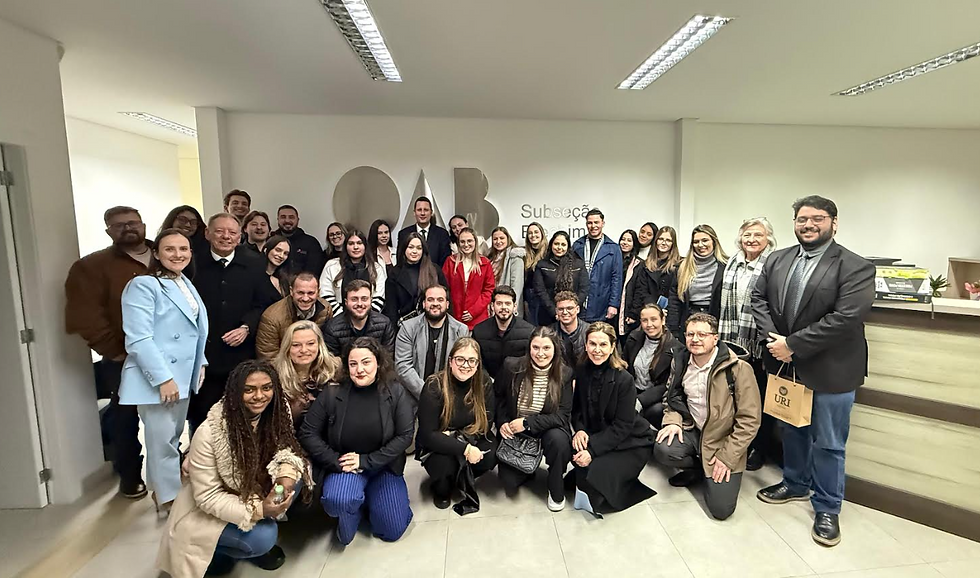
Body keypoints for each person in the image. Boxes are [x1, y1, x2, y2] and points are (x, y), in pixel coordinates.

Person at [751, 195, 875, 547]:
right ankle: (795, 483)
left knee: (830, 442)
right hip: (785, 365)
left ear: (834, 222)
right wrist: (776, 341)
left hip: (833, 369)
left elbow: (846, 318)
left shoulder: (855, 266)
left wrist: (793, 344)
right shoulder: (778, 259)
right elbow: (758, 300)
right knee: (792, 430)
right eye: (802, 219)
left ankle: (827, 507)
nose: (808, 225)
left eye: (817, 219)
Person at [157, 360, 312, 578]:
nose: (259, 396)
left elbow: (287, 447)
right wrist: (260, 510)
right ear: (235, 392)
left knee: (297, 478)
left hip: (251, 490)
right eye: (249, 390)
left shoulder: (277, 408)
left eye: (266, 388)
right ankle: (216, 553)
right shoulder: (210, 432)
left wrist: (283, 480)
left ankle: (248, 539)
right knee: (264, 537)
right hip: (206, 509)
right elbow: (208, 497)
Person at [65, 206, 151, 498]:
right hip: (124, 357)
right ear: (108, 231)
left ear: (143, 224)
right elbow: (85, 315)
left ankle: (172, 468)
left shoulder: (166, 256)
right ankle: (130, 474)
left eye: (132, 223)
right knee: (125, 417)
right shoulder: (92, 266)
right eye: (118, 225)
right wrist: (114, 351)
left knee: (169, 416)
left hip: (170, 355)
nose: (127, 228)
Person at [120, 228, 208, 512]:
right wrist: (163, 378)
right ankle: (169, 501)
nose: (178, 254)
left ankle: (166, 494)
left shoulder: (185, 283)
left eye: (183, 249)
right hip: (157, 379)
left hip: (183, 376)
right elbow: (138, 338)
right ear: (156, 253)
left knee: (172, 437)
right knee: (161, 443)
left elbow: (194, 331)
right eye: (170, 249)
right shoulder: (144, 285)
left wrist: (201, 361)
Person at [298, 337, 415, 545]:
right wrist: (335, 460)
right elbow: (307, 433)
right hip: (346, 467)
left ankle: (370, 499)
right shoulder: (332, 393)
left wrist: (367, 461)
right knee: (338, 500)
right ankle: (354, 507)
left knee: (392, 530)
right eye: (353, 364)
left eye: (366, 362)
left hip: (383, 467)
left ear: (378, 363)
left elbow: (405, 435)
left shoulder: (395, 391)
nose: (360, 369)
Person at [654, 313, 761, 520]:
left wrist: (727, 457)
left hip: (723, 440)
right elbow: (672, 395)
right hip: (694, 429)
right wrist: (674, 421)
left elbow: (750, 420)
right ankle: (698, 468)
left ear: (715, 338)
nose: (695, 339)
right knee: (663, 448)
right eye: (690, 334)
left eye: (702, 334)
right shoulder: (681, 361)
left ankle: (709, 468)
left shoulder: (738, 369)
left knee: (721, 510)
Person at [189, 213, 275, 435]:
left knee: (242, 416)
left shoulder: (254, 262)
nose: (226, 237)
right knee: (202, 419)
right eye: (219, 231)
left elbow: (266, 302)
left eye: (232, 233)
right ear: (207, 234)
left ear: (239, 237)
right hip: (202, 356)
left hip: (240, 354)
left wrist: (247, 327)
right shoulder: (192, 262)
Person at [570, 322, 656, 516]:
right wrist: (580, 429)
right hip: (598, 432)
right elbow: (577, 410)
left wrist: (592, 450)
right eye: (592, 344)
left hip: (630, 441)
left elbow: (623, 426)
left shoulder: (624, 379)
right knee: (575, 457)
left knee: (596, 478)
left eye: (603, 345)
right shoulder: (582, 371)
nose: (597, 350)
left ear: (612, 348)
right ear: (585, 345)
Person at [719, 217, 778, 471]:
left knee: (760, 398)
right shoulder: (733, 262)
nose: (751, 240)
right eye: (747, 235)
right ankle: (737, 443)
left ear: (768, 239)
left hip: (761, 343)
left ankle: (760, 447)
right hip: (734, 341)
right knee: (737, 396)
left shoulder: (775, 264)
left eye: (757, 235)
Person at [494, 327, 573, 512]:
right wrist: (502, 422)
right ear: (529, 348)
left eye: (546, 348)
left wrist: (527, 423)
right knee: (509, 482)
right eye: (535, 347)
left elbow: (562, 416)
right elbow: (498, 398)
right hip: (515, 429)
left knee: (559, 441)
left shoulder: (565, 374)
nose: (540, 353)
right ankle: (528, 468)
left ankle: (555, 486)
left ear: (555, 349)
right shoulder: (511, 366)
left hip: (545, 428)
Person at [417, 338, 496, 511]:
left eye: (471, 360)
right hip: (437, 444)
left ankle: (460, 477)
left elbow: (487, 422)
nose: (465, 365)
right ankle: (442, 487)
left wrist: (459, 439)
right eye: (460, 359)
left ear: (477, 364)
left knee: (492, 452)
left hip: (467, 435)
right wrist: (464, 449)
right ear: (451, 361)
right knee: (444, 465)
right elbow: (428, 434)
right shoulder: (434, 385)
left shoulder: (483, 382)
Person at [394, 284, 470, 403]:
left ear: (447, 304)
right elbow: (403, 366)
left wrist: (446, 395)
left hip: (450, 396)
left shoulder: (461, 330)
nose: (435, 303)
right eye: (430, 300)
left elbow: (462, 366)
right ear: (424, 304)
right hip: (413, 394)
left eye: (440, 300)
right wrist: (426, 394)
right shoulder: (408, 328)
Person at [274, 320, 340, 430]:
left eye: (310, 344)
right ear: (287, 348)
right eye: (296, 345)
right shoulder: (274, 374)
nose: (304, 350)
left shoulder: (336, 368)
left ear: (319, 345)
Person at [623, 303, 678, 429]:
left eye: (653, 319)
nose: (649, 325)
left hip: (656, 397)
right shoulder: (633, 339)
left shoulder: (675, 348)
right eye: (644, 320)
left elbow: (668, 385)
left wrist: (640, 401)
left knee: (655, 411)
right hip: (632, 390)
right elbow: (624, 366)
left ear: (663, 320)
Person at [667, 224, 727, 340]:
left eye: (705, 240)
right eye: (696, 241)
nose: (700, 245)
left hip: (715, 321)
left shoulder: (725, 267)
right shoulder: (682, 267)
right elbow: (674, 301)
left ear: (714, 242)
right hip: (688, 320)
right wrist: (673, 330)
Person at [255, 273, 332, 360]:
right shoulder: (271, 317)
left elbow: (327, 346)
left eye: (311, 293)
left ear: (318, 292)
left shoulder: (326, 309)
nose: (305, 298)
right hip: (284, 367)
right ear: (291, 291)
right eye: (300, 293)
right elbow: (268, 357)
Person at [383, 232, 447, 327]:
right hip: (405, 326)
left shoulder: (434, 270)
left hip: (434, 323)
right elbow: (391, 309)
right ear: (404, 249)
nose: (414, 251)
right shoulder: (394, 274)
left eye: (419, 248)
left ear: (423, 250)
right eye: (411, 247)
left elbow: (446, 298)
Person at [319, 228, 387, 316]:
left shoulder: (376, 268)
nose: (355, 247)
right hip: (338, 319)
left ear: (365, 246)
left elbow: (380, 297)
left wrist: (366, 317)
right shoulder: (332, 266)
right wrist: (342, 318)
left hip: (369, 318)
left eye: (359, 243)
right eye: (351, 243)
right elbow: (325, 295)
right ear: (345, 246)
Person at [471, 286, 534, 378]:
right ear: (492, 306)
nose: (503, 307)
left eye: (508, 303)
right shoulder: (479, 331)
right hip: (486, 384)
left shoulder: (529, 332)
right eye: (499, 303)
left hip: (516, 384)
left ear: (514, 306)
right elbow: (476, 360)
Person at [572, 209, 623, 323]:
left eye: (596, 222)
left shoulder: (613, 248)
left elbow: (617, 278)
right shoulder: (577, 245)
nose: (593, 226)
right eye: (590, 223)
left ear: (602, 223)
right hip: (579, 301)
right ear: (586, 224)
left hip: (602, 303)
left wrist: (613, 304)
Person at [322, 280, 395, 356]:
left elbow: (387, 359)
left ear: (371, 301)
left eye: (364, 299)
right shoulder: (332, 328)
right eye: (354, 299)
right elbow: (333, 363)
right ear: (346, 303)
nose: (360, 304)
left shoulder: (384, 324)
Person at [532, 231, 590, 326]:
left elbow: (584, 288)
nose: (559, 247)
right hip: (548, 314)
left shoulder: (578, 264)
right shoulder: (542, 264)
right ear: (551, 245)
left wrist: (572, 309)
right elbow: (540, 290)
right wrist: (554, 312)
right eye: (556, 244)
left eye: (563, 244)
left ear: (568, 247)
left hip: (574, 315)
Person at [442, 227, 495, 331]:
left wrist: (473, 311)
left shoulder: (485, 263)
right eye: (462, 241)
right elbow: (444, 288)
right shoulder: (450, 262)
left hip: (478, 319)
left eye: (469, 241)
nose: (466, 245)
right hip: (455, 318)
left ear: (475, 242)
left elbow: (489, 290)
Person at [628, 225, 681, 326]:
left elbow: (678, 293)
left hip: (672, 315)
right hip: (650, 313)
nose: (664, 243)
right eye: (661, 239)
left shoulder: (680, 264)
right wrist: (656, 309)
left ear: (673, 244)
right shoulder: (645, 264)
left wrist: (666, 311)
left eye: (668, 240)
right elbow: (642, 291)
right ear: (656, 241)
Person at [397, 197, 452, 267]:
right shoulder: (404, 234)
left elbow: (445, 262)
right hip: (409, 276)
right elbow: (400, 260)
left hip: (435, 276)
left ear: (431, 212)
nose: (422, 213)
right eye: (419, 210)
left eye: (426, 210)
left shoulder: (442, 234)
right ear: (414, 212)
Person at [272, 205, 325, 277]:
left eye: (291, 217)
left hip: (302, 286)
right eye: (283, 217)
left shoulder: (311, 243)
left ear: (298, 220)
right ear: (278, 219)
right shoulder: (270, 241)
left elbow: (314, 272)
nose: (287, 220)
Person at [487, 226, 526, 316]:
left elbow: (517, 285)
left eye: (502, 238)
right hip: (495, 304)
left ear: (508, 239)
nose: (498, 241)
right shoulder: (490, 258)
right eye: (495, 239)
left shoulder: (515, 257)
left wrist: (512, 306)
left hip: (508, 306)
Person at [616, 229, 643, 343]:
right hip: (613, 309)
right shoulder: (613, 260)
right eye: (623, 239)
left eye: (629, 240)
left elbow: (639, 290)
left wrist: (633, 313)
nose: (625, 242)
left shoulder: (639, 264)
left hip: (628, 311)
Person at [550, 291, 587, 368]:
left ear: (577, 309)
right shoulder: (549, 333)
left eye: (569, 308)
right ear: (556, 311)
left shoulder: (589, 332)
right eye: (561, 309)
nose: (565, 312)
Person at [522, 222, 548, 323]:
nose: (533, 235)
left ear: (542, 234)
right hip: (529, 296)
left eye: (536, 232)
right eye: (530, 233)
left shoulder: (548, 252)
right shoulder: (524, 254)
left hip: (544, 296)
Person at [260, 235, 291, 299]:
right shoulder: (254, 274)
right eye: (278, 250)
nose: (281, 256)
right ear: (266, 250)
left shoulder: (286, 280)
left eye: (285, 253)